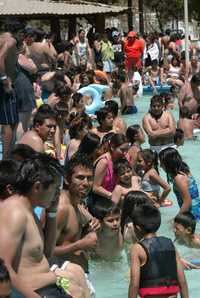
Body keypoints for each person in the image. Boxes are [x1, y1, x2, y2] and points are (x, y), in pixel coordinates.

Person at [0, 153, 89, 298]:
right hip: (36, 292)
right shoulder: (15, 213)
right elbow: (4, 268)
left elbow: (47, 252)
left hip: (47, 285)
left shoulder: (29, 209)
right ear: (37, 187)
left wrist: (52, 213)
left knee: (80, 289)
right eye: (54, 189)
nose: (57, 195)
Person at [128, 203, 189, 298]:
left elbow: (134, 284)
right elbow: (182, 280)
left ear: (137, 228)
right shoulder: (170, 244)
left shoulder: (137, 249)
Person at [159, 147, 200, 220]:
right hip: (197, 209)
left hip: (192, 214)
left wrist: (176, 219)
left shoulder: (179, 178)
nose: (160, 166)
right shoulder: (183, 169)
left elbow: (187, 202)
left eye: (162, 163)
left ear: (169, 163)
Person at [0, 24, 19, 158]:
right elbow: (0, 58)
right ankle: (6, 158)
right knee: (9, 123)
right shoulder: (10, 40)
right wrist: (4, 80)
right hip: (4, 86)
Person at [92, 133, 130, 199]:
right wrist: (113, 196)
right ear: (112, 147)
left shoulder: (120, 159)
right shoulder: (104, 162)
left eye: (127, 150)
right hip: (99, 199)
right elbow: (95, 188)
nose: (125, 153)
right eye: (122, 150)